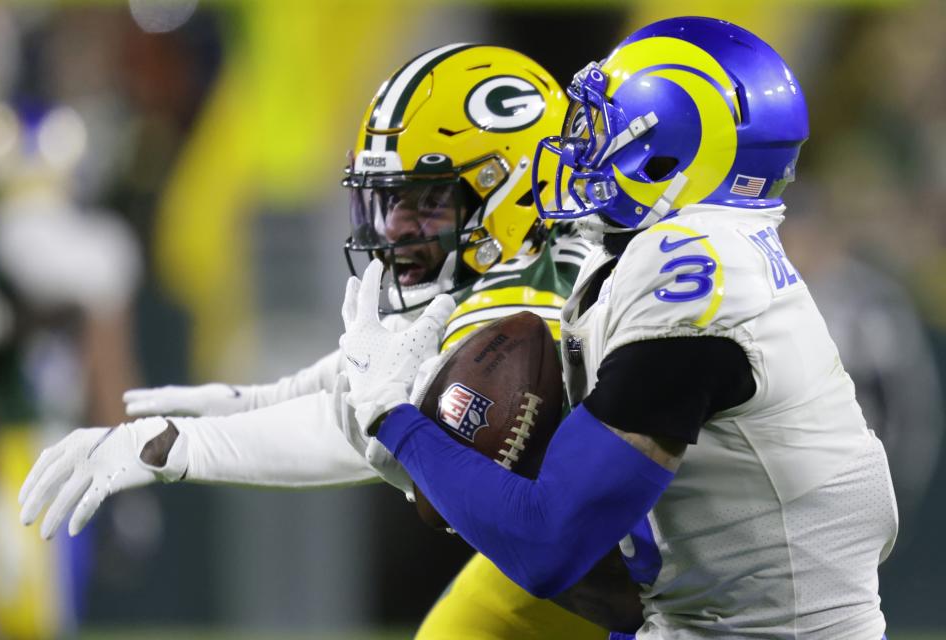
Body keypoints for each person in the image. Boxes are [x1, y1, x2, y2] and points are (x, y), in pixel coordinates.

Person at [18, 45, 619, 638]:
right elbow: (377, 377)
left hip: (670, 579)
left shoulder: (525, 321)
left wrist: (181, 445)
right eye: (389, 200)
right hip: (592, 554)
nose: (394, 228)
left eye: (427, 201)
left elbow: (368, 426)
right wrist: (253, 402)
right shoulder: (533, 256)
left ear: (510, 190)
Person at [340, 17, 898, 639]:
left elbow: (550, 546)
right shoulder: (680, 258)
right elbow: (624, 577)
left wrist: (396, 420)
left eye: (604, 123)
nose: (579, 144)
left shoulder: (697, 273)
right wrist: (441, 470)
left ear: (670, 146)